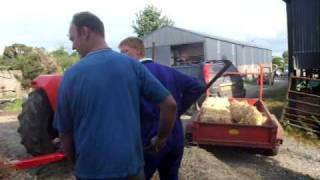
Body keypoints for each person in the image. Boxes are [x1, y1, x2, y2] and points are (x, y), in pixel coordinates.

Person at [53, 12, 177, 180]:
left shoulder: (70, 75)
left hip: (90, 172)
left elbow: (65, 134)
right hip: (131, 169)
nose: (73, 46)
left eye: (72, 39)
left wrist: (78, 164)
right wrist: (161, 138)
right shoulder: (132, 65)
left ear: (85, 32)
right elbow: (169, 105)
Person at [119, 37, 205, 180]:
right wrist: (177, 111)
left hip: (150, 139)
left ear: (138, 50)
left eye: (125, 52)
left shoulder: (133, 75)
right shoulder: (168, 71)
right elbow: (197, 87)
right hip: (175, 136)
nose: (122, 57)